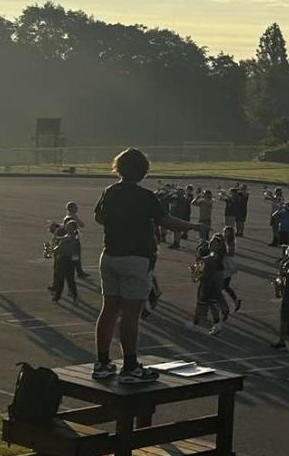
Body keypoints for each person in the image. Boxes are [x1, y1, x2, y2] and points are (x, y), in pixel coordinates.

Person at [92, 148, 197, 382]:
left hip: (110, 255)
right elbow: (166, 221)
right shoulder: (146, 197)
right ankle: (130, 366)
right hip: (137, 258)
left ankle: (102, 362)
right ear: (142, 171)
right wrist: (194, 227)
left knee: (108, 310)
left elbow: (99, 217)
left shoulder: (110, 192)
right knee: (130, 314)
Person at [47, 216, 81, 304]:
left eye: (69, 227)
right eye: (67, 226)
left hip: (68, 260)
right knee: (61, 279)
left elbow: (64, 239)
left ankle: (74, 296)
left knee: (69, 280)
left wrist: (56, 235)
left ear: (73, 228)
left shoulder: (73, 237)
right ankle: (58, 296)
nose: (67, 227)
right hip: (62, 259)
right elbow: (60, 245)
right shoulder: (67, 235)